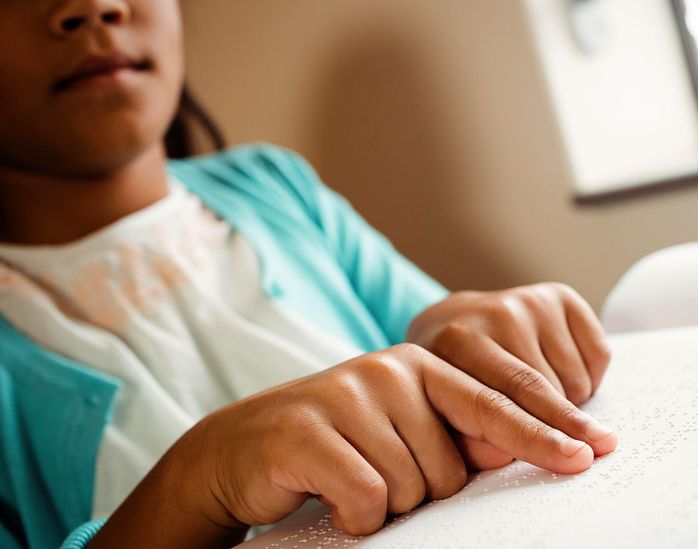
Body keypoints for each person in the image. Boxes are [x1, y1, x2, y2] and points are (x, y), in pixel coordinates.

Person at [0, 1, 618, 547]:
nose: (90, 7)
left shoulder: (274, 186)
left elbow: (433, 334)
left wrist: (469, 329)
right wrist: (202, 478)